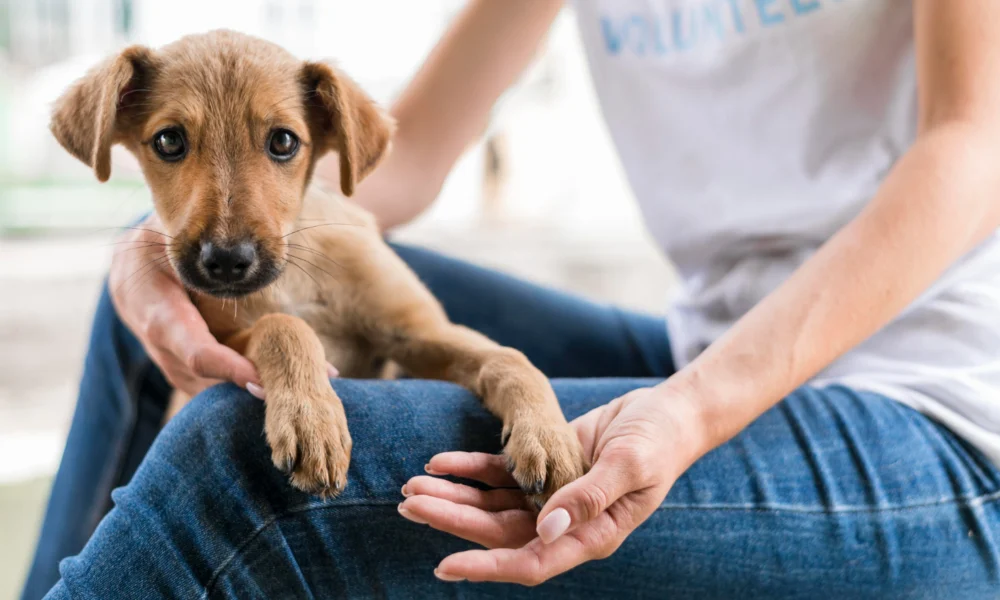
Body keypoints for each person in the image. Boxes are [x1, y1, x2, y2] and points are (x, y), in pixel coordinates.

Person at [21, 1, 1000, 597]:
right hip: (703, 339)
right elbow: (393, 172)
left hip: (937, 408)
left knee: (238, 462)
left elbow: (974, 146)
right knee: (155, 301)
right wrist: (146, 249)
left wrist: (693, 410)